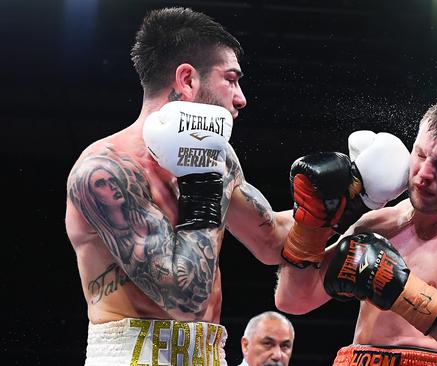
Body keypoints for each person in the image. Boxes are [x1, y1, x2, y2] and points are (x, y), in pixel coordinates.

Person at [65, 7, 297, 365]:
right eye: (230, 79)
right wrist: (202, 177)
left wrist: (337, 201)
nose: (240, 98)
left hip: (208, 353)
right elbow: (185, 298)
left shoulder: (221, 157)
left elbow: (271, 242)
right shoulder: (104, 172)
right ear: (187, 79)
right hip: (131, 354)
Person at [275, 94, 437, 366]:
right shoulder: (378, 223)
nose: (424, 172)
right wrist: (311, 228)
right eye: (421, 154)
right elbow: (293, 300)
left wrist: (399, 289)